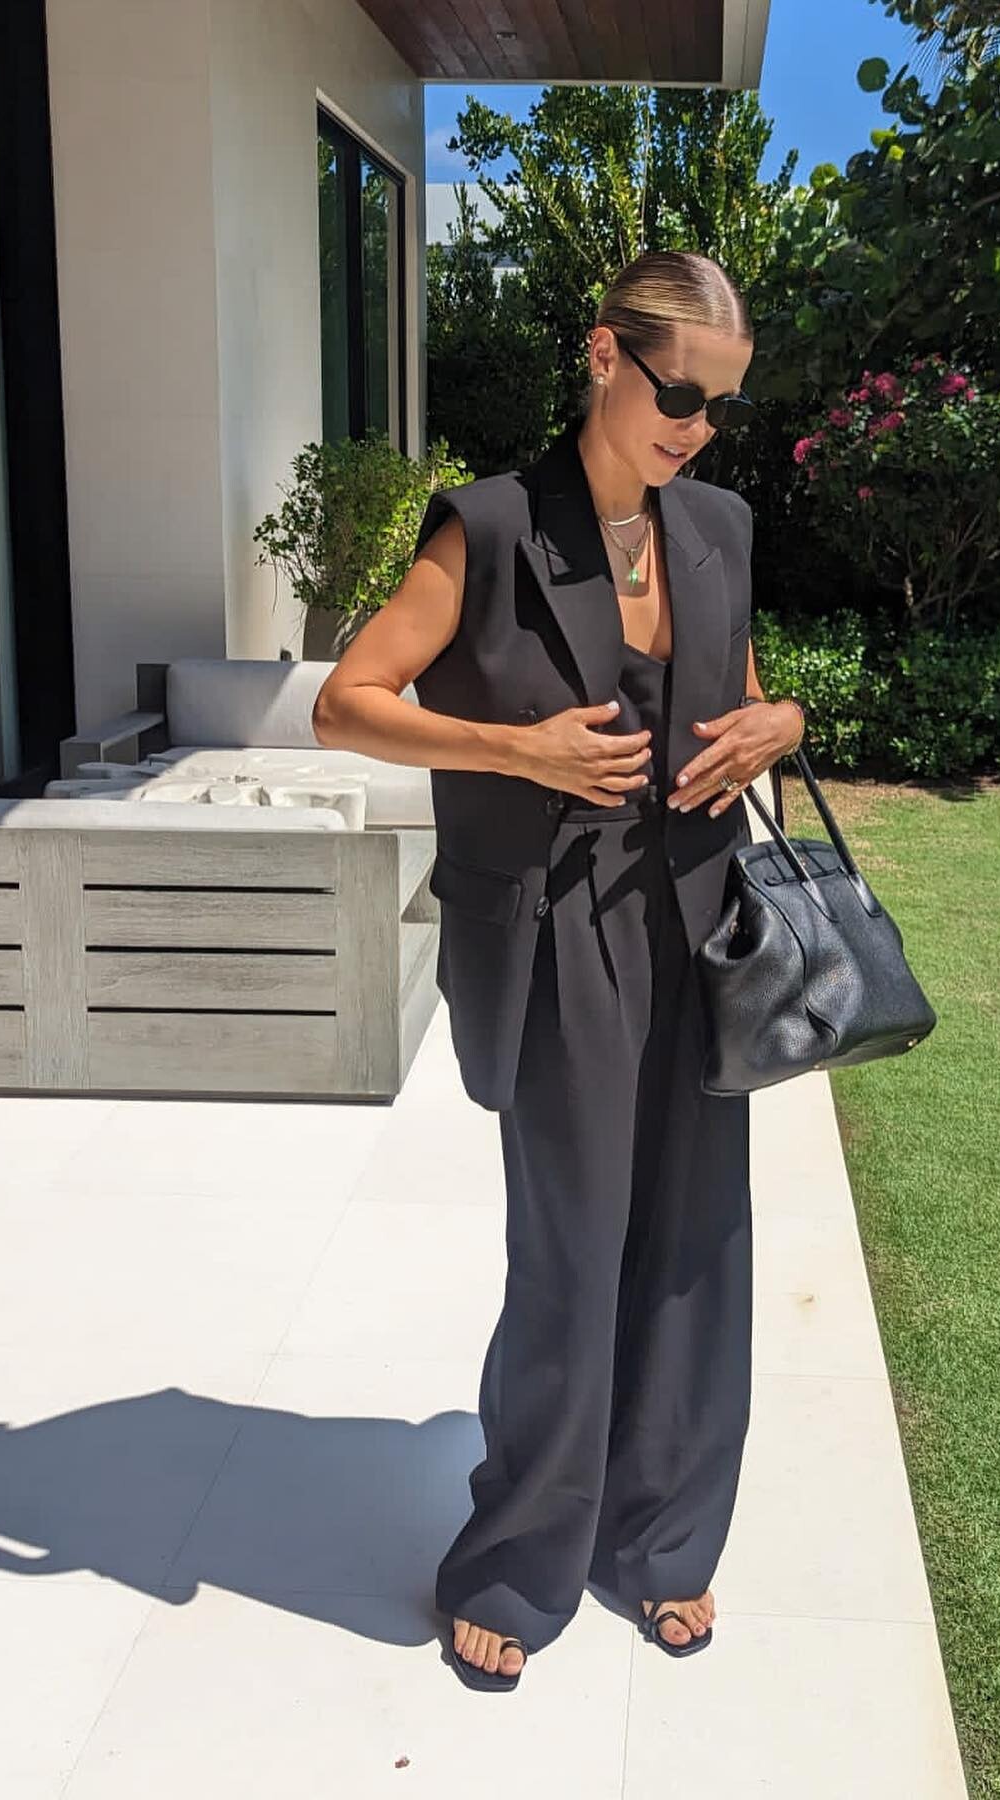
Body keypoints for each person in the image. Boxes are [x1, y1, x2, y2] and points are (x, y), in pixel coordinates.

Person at [312, 250, 805, 1691]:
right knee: (575, 1250)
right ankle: (522, 1557)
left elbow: (739, 693)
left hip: (701, 920)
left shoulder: (716, 526)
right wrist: (513, 751)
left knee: (699, 1240)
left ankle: (663, 1539)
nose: (698, 427)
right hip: (560, 926)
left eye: (721, 405)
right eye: (680, 393)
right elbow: (348, 704)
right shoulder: (489, 526)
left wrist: (780, 722)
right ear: (604, 355)